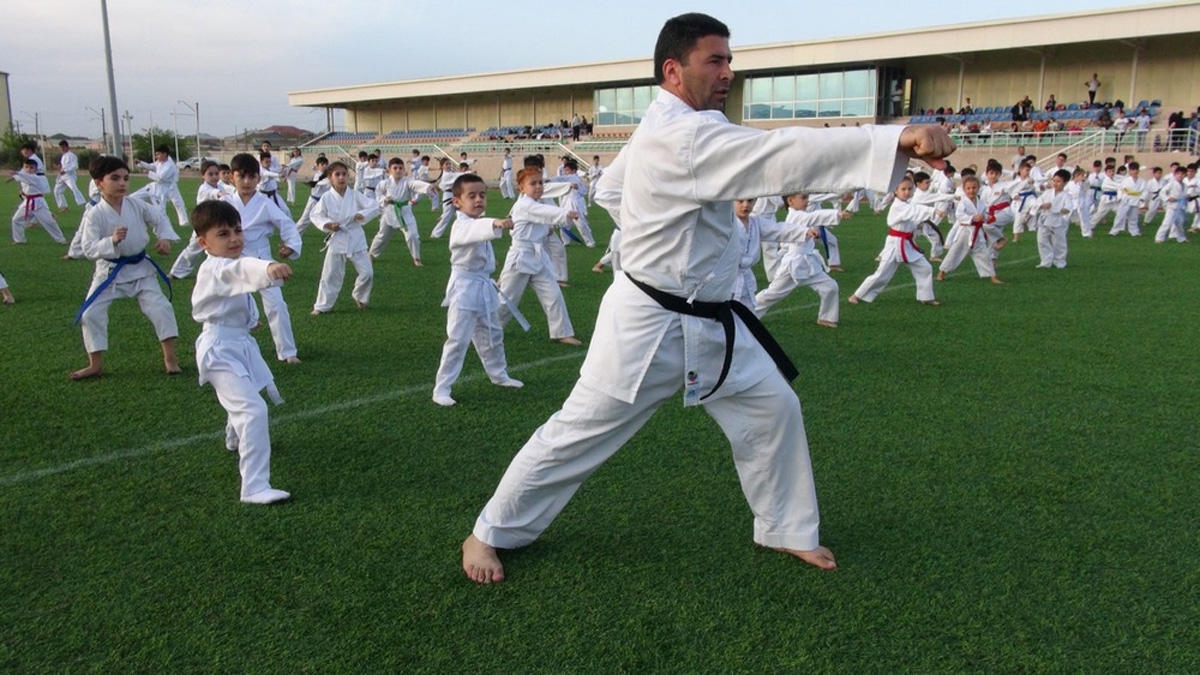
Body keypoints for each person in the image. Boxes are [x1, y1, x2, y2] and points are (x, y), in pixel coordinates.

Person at [460, 12, 955, 584]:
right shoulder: (684, 134)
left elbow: (613, 190)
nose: (727, 73)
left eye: (729, 60)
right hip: (649, 326)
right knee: (579, 432)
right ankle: (488, 531)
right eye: (714, 61)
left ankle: (786, 529)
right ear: (674, 70)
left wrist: (654, 229)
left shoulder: (673, 128)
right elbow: (778, 156)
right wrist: (893, 136)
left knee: (773, 411)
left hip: (715, 320)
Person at [189, 200, 293, 505]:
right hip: (219, 350)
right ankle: (254, 487)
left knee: (246, 395)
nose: (234, 238)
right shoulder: (218, 267)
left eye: (237, 230)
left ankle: (234, 438)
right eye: (223, 234)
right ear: (203, 242)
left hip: (235, 343)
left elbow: (239, 277)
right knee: (252, 410)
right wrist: (269, 267)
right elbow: (242, 270)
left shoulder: (227, 263)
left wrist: (249, 319)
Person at [71, 155, 180, 380]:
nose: (122, 183)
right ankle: (95, 364)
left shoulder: (136, 204)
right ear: (99, 183)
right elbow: (89, 248)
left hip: (140, 268)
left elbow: (159, 218)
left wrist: (164, 238)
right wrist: (110, 241)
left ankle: (170, 359)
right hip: (109, 272)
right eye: (115, 178)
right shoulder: (94, 214)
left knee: (161, 309)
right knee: (91, 314)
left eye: (125, 178)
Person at [432, 174, 521, 407]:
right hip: (464, 289)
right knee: (458, 339)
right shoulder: (460, 226)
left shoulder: (476, 222)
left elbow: (479, 230)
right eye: (471, 196)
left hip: (483, 287)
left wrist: (492, 224)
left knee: (492, 333)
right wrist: (495, 223)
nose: (479, 199)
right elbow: (473, 231)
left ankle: (499, 374)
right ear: (457, 201)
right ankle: (442, 388)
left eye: (482, 195)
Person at [224, 153, 303, 363]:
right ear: (232, 177)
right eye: (241, 176)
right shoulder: (224, 203)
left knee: (277, 305)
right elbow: (207, 231)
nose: (247, 182)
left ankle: (288, 352)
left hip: (262, 260)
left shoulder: (265, 203)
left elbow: (286, 224)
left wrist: (290, 245)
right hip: (234, 262)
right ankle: (234, 351)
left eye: (252, 177)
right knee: (229, 308)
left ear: (258, 179)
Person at [497, 167, 582, 345]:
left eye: (541, 183)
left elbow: (545, 215)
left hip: (538, 256)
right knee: (507, 301)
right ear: (521, 187)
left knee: (553, 294)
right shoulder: (525, 204)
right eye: (533, 183)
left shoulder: (538, 203)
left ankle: (561, 332)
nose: (538, 186)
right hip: (520, 257)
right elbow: (545, 214)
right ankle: (487, 329)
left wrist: (556, 221)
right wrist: (564, 214)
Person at [849, 178, 948, 307]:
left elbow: (914, 211)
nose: (907, 192)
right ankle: (856, 295)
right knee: (882, 273)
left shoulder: (907, 204)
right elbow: (913, 212)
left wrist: (915, 225)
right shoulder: (897, 206)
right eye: (903, 189)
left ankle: (926, 297)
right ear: (895, 191)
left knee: (925, 268)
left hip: (906, 243)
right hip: (895, 244)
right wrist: (933, 211)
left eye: (909, 189)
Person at [752, 192, 846, 327]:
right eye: (803, 198)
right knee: (773, 293)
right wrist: (837, 214)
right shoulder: (797, 215)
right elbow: (815, 216)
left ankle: (827, 317)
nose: (807, 201)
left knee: (830, 287)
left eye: (807, 197)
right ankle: (748, 312)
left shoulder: (800, 215)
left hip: (808, 263)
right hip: (793, 265)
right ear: (790, 201)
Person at [309, 161, 381, 314]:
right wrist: (328, 224)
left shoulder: (354, 195)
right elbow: (315, 215)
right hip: (338, 239)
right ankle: (321, 306)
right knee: (330, 276)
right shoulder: (327, 197)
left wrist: (363, 214)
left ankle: (359, 296)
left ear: (348, 176)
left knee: (368, 273)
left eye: (344, 174)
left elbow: (374, 206)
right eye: (337, 174)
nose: (341, 178)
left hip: (355, 238)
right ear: (330, 177)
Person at [169, 160, 230, 278]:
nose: (214, 177)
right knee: (193, 249)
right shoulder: (204, 188)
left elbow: (228, 189)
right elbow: (214, 193)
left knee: (221, 246)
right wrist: (221, 194)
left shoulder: (221, 185)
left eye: (216, 174)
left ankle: (222, 270)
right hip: (203, 223)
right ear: (203, 175)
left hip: (217, 223)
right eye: (210, 174)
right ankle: (175, 272)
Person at [936, 175, 1002, 284]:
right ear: (964, 189)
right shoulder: (963, 202)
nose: (971, 190)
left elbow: (984, 214)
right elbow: (959, 215)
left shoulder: (981, 202)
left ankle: (992, 276)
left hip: (977, 233)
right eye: (968, 188)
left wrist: (986, 217)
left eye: (974, 188)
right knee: (955, 253)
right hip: (965, 233)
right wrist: (973, 218)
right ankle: (942, 272)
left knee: (984, 254)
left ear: (978, 188)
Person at [372, 158, 432, 266]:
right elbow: (378, 193)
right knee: (382, 236)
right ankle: (372, 253)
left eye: (400, 168)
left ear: (404, 169)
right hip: (389, 212)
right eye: (395, 168)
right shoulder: (385, 183)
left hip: (404, 212)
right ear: (389, 170)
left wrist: (427, 187)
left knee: (412, 235)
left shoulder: (407, 181)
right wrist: (385, 199)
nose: (398, 170)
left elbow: (415, 184)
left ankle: (416, 258)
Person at [8, 158, 66, 245]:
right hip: (27, 202)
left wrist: (17, 172)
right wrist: (13, 178)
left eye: (31, 168)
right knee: (16, 220)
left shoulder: (35, 177)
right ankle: (19, 240)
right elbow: (20, 177)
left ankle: (61, 240)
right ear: (23, 168)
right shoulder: (23, 175)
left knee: (49, 222)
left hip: (38, 203)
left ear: (36, 170)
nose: (28, 169)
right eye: (26, 167)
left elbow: (25, 176)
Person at [136, 145, 189, 228]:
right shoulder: (160, 162)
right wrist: (141, 163)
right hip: (160, 186)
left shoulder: (169, 166)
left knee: (178, 204)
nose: (156, 156)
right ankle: (158, 220)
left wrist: (148, 173)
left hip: (170, 186)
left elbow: (160, 178)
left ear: (164, 154)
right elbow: (152, 166)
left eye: (158, 154)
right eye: (156, 154)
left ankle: (183, 222)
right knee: (159, 204)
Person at [1035, 169, 1074, 268]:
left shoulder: (1066, 195)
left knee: (1059, 242)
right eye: (1054, 181)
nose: (1055, 183)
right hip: (1045, 219)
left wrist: (1064, 210)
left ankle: (1060, 261)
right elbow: (1037, 202)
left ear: (1064, 183)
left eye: (1058, 181)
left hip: (1058, 220)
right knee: (1041, 240)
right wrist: (1043, 205)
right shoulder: (1047, 192)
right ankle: (1045, 261)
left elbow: (1069, 207)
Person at [53, 140, 87, 211]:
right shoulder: (63, 156)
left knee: (74, 189)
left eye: (63, 147)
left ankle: (84, 204)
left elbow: (75, 166)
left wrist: (65, 170)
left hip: (70, 176)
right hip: (62, 176)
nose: (62, 149)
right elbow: (64, 166)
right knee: (57, 190)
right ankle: (64, 207)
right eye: (61, 147)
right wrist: (60, 168)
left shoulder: (72, 155)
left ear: (67, 147)